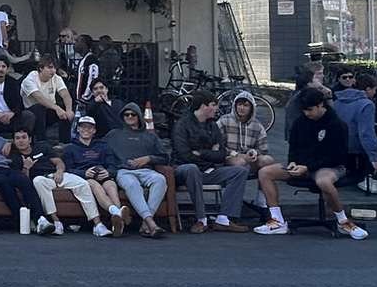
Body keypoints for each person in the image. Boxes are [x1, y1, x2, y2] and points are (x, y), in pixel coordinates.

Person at [255, 88, 368, 239]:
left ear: (321, 105)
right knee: (265, 172)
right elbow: (293, 147)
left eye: (310, 110)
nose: (307, 114)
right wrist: (293, 162)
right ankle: (277, 221)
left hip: (329, 165)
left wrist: (308, 167)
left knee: (323, 181)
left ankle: (343, 221)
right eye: (304, 110)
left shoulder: (337, 125)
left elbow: (337, 156)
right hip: (302, 166)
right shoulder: (300, 122)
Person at [172, 93, 245, 231]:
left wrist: (202, 152)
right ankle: (201, 219)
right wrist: (211, 153)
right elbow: (184, 155)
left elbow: (222, 154)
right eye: (213, 105)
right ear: (203, 106)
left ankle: (224, 219)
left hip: (207, 170)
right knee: (192, 168)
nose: (216, 108)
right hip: (183, 170)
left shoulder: (212, 125)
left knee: (239, 171)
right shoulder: (182, 125)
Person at [34, 112, 114, 235]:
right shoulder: (70, 148)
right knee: (38, 181)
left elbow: (112, 164)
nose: (85, 129)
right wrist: (84, 173)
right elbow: (69, 168)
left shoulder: (102, 146)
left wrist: (107, 172)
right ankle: (56, 223)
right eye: (83, 127)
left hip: (89, 177)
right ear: (78, 129)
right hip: (73, 175)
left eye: (89, 127)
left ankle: (103, 222)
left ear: (94, 130)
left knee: (92, 185)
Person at [103, 102, 172, 236]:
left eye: (133, 114)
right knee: (132, 185)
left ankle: (146, 223)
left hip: (146, 170)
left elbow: (165, 157)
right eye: (126, 114)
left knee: (160, 180)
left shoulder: (150, 136)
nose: (129, 116)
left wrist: (148, 158)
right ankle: (151, 223)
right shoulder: (114, 134)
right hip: (124, 171)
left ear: (139, 116)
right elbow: (100, 150)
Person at [332, 69, 377, 193]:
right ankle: (375, 179)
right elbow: (366, 133)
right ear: (368, 89)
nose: (375, 94)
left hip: (339, 144)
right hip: (355, 144)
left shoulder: (338, 100)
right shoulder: (367, 104)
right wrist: (374, 159)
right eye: (374, 90)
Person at [22, 54, 75, 144]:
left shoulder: (56, 78)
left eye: (54, 68)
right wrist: (57, 108)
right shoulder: (30, 79)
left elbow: (65, 95)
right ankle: (41, 142)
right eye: (50, 67)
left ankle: (65, 143)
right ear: (41, 68)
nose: (53, 71)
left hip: (49, 110)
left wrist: (69, 110)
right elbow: (39, 98)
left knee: (65, 110)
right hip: (30, 112)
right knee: (40, 107)